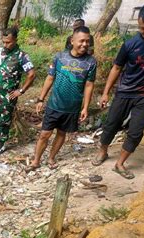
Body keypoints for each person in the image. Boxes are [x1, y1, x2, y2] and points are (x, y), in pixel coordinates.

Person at [92, 2, 144, 179]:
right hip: (124, 92)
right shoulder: (130, 44)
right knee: (111, 124)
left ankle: (120, 163)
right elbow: (116, 68)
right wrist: (106, 92)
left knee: (136, 131)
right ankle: (103, 151)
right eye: (142, 28)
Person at [27, 26, 97, 172]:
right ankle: (36, 160)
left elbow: (89, 85)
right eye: (81, 41)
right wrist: (41, 99)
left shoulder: (91, 62)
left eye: (87, 41)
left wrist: (85, 107)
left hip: (72, 107)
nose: (85, 44)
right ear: (72, 40)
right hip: (54, 104)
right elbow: (50, 78)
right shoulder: (60, 57)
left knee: (61, 133)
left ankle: (52, 157)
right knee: (45, 134)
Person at [0, 27, 36, 155]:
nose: (5, 44)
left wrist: (21, 91)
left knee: (3, 120)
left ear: (15, 40)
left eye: (8, 42)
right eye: (4, 42)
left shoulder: (22, 56)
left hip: (9, 95)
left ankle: (1, 144)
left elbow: (31, 74)